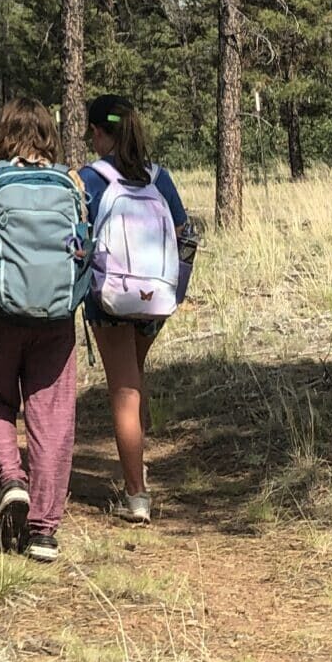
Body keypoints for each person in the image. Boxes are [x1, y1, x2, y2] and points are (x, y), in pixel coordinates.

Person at [0, 96, 89, 565]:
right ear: (49, 133)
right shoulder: (69, 178)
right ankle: (44, 532)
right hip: (55, 317)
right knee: (52, 420)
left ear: (5, 132)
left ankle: (12, 479)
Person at [79, 93, 197, 526]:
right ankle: (138, 467)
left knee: (124, 389)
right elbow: (182, 229)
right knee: (136, 376)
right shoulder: (158, 176)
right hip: (156, 296)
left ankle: (136, 493)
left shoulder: (91, 178)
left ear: (97, 131)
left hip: (109, 296)